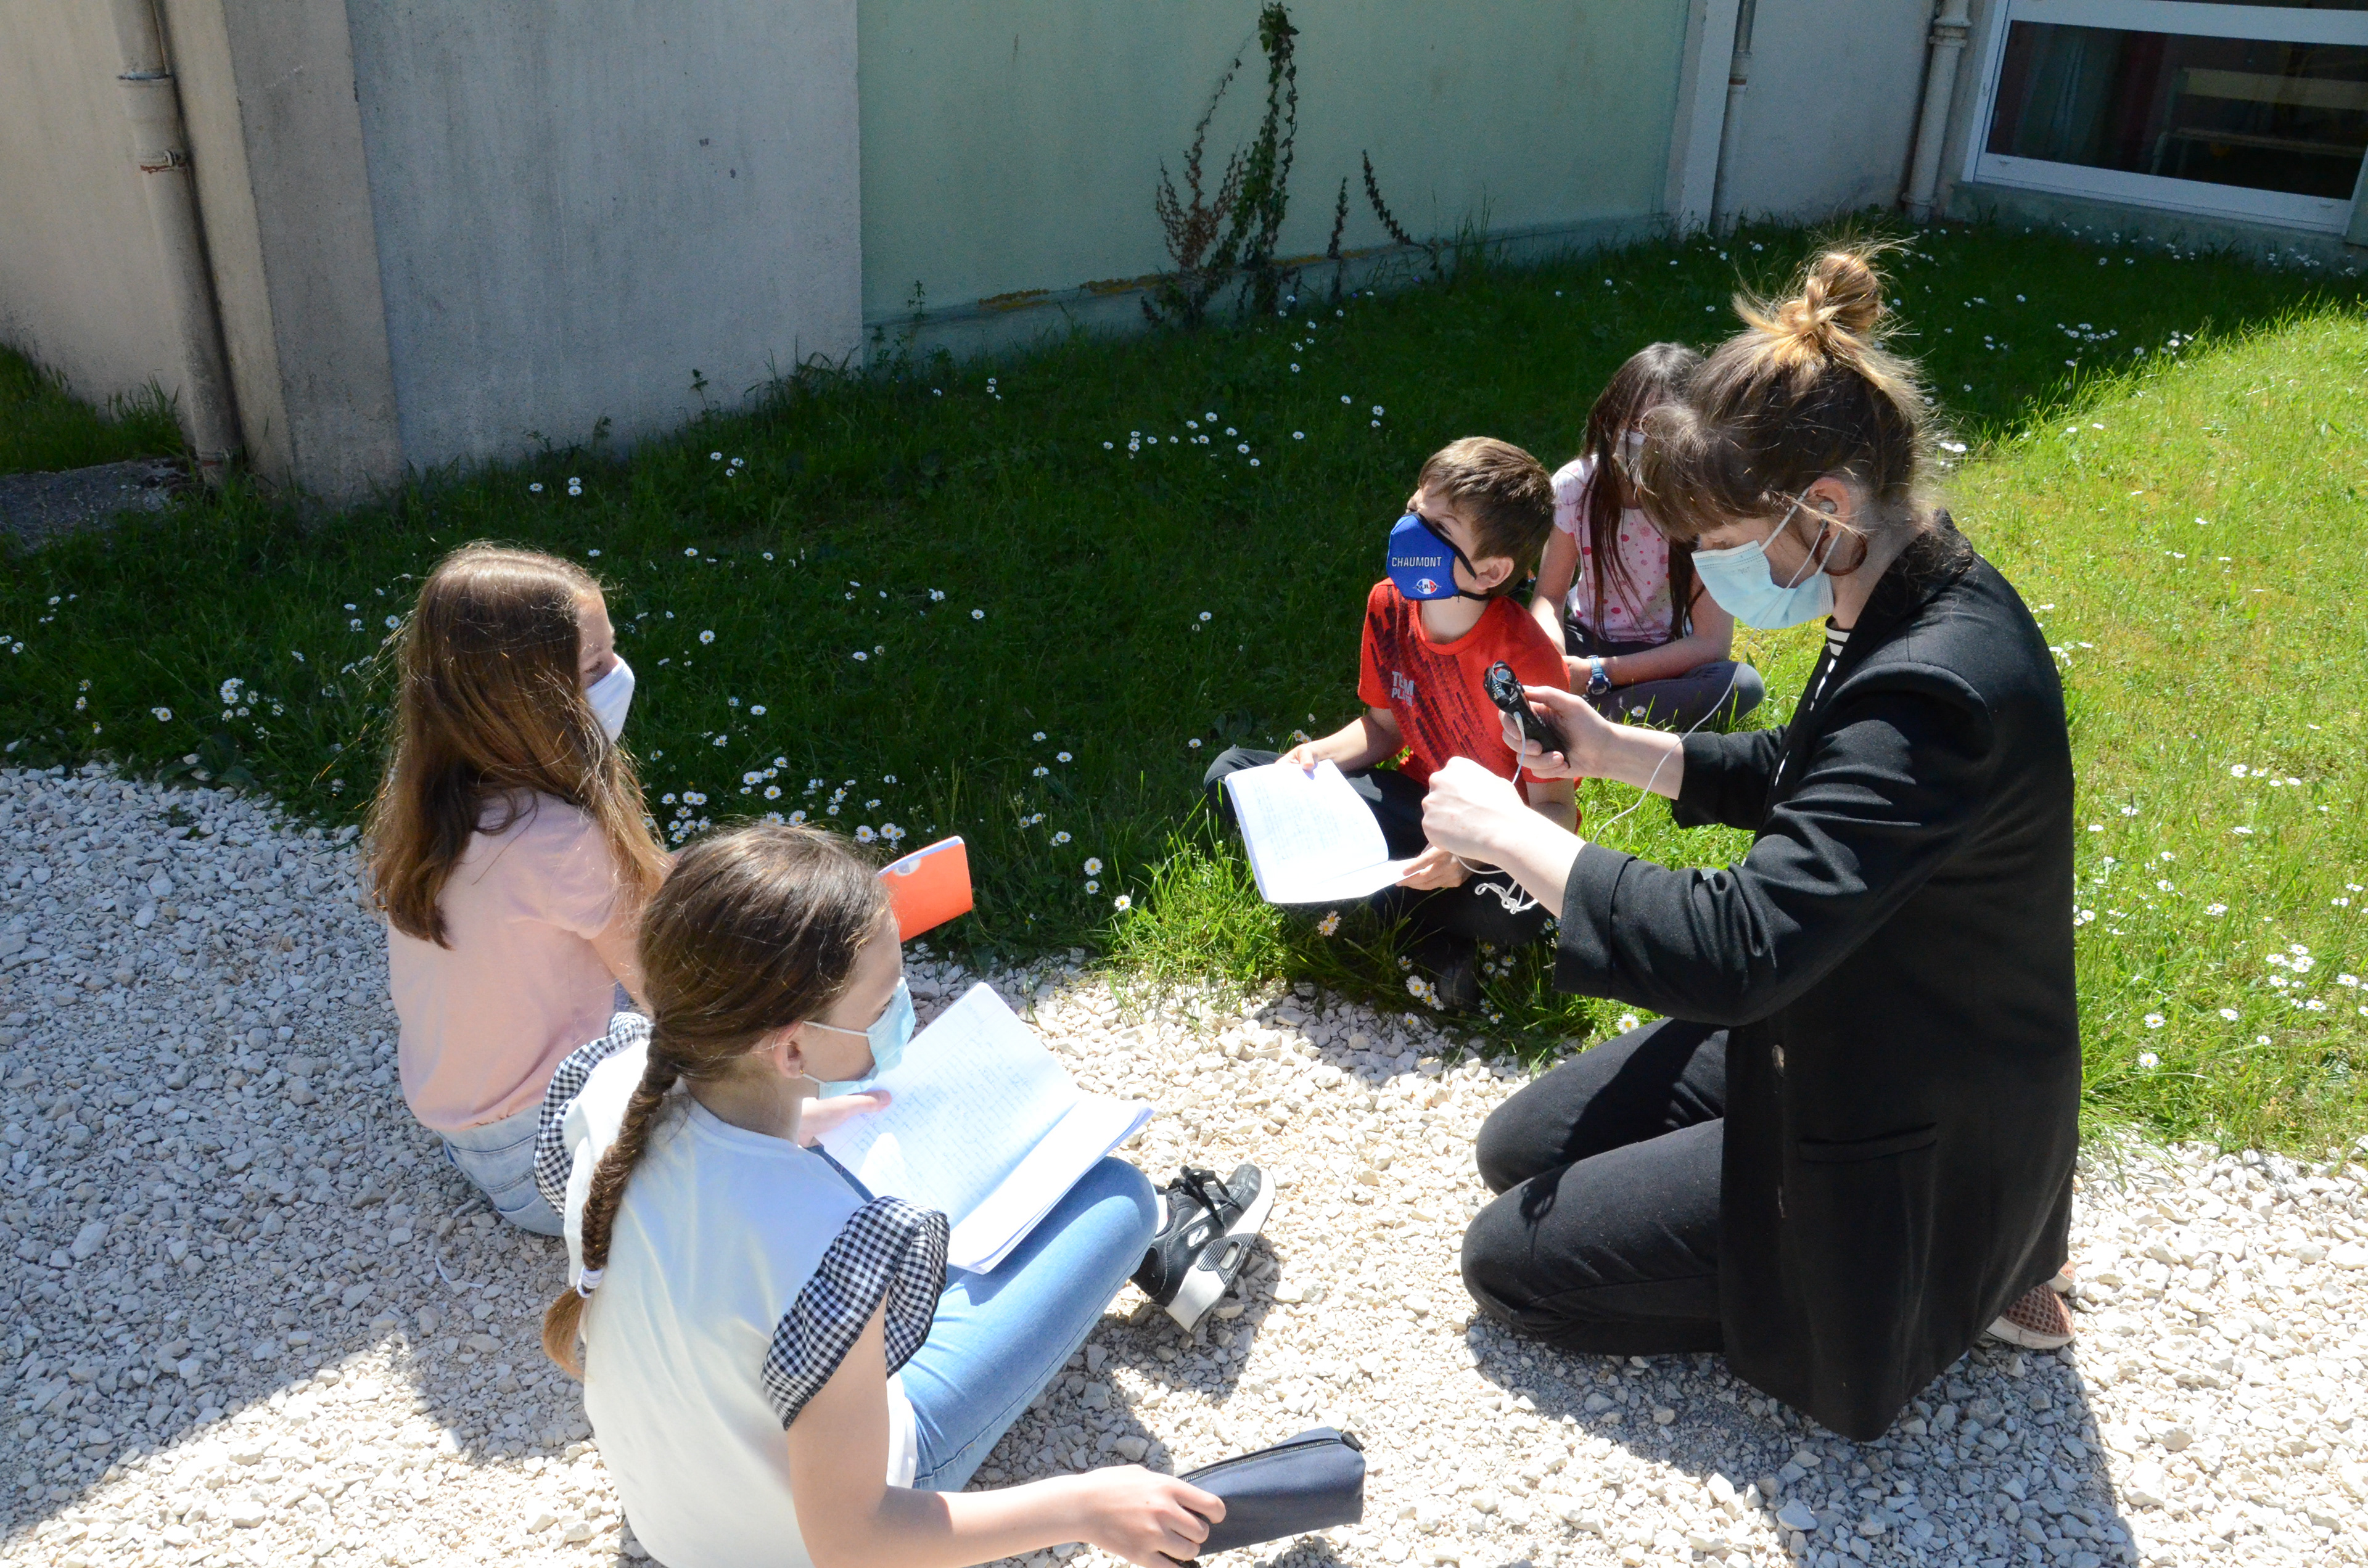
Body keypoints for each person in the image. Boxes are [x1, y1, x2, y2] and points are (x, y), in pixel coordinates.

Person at [1417, 245, 2081, 1441]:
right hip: (1858, 1000)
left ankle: (1956, 1272)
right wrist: (1621, 748)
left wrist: (1512, 833)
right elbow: (1810, 776)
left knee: (1511, 1259)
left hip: (1910, 1087)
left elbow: (1740, 948)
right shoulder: (1906, 586)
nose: (1707, 570)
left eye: (1720, 539)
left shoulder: (1935, 689)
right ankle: (1887, 1231)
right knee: (1518, 1144)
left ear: (1821, 504)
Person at [532, 823, 1249, 1568]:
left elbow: (677, 1212)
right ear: (791, 1048)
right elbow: (853, 1539)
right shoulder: (826, 1243)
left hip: (675, 1514)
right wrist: (1083, 1504)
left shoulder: (614, 1082)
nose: (905, 1006)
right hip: (795, 1541)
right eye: (883, 1002)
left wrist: (793, 1119)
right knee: (1120, 1199)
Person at [1202, 437, 1576, 1009]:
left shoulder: (1524, 659)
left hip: (1494, 839)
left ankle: (1387, 909)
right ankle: (1418, 925)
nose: (1411, 530)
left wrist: (1469, 855)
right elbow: (1382, 729)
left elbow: (1557, 811)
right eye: (1414, 509)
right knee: (1233, 775)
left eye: (1438, 525)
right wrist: (1317, 756)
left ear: (1490, 571)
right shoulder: (1388, 605)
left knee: (1520, 910)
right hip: (1411, 805)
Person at [367, 544, 664, 1235]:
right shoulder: (559, 838)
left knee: (635, 1036)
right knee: (755, 1095)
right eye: (594, 668)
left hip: (473, 1126)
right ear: (529, 701)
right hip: (550, 1158)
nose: (617, 676)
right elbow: (671, 989)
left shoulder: (430, 806)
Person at [1530, 342, 1762, 733]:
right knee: (1504, 649)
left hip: (1665, 658)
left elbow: (1710, 644)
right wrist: (1551, 651)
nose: (1639, 441)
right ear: (1608, 419)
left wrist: (1597, 674)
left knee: (1739, 686)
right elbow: (1549, 597)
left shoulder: (1705, 506)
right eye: (1631, 425)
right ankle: (1597, 715)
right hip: (1583, 639)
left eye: (1658, 430)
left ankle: (1581, 717)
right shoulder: (1575, 487)